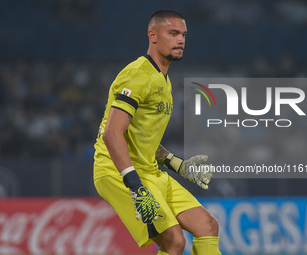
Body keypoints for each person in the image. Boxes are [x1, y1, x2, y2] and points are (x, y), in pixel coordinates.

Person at [93, 9, 221, 255]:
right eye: (173, 33)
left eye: (183, 34)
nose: (180, 40)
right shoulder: (137, 75)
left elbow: (141, 138)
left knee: (207, 226)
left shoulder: (163, 78)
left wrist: (176, 164)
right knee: (174, 242)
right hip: (117, 171)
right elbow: (112, 134)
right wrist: (135, 186)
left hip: (150, 170)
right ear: (153, 36)